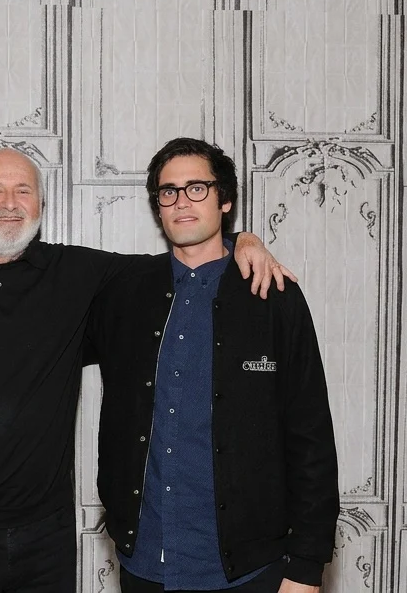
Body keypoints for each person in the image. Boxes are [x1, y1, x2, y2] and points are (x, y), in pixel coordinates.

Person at [0, 148, 294, 593]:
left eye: (23, 190)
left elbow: (187, 257)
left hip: (45, 542)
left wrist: (243, 239)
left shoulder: (77, 274)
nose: (10, 203)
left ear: (41, 204)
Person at [84, 138, 339, 593]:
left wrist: (306, 566)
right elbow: (45, 281)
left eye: (197, 188)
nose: (182, 201)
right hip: (146, 565)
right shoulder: (125, 293)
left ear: (225, 200)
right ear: (158, 207)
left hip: (250, 571)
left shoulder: (273, 298)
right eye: (169, 191)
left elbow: (310, 434)